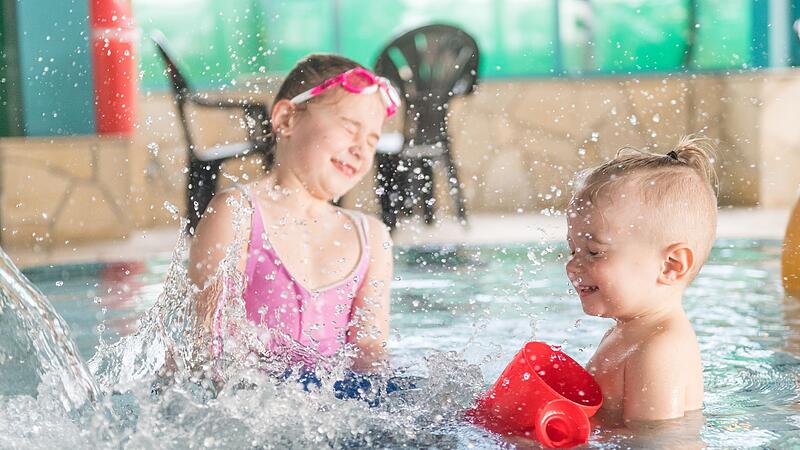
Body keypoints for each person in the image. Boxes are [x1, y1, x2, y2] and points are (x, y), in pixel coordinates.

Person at [187, 54, 400, 377]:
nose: (360, 149)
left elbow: (369, 353)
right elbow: (206, 347)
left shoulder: (371, 238)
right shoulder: (238, 215)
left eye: (372, 141)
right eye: (349, 127)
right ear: (286, 118)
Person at [565, 135, 718, 422]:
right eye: (573, 249)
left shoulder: (659, 351)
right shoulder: (627, 331)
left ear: (671, 265)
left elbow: (654, 440)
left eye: (594, 252)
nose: (573, 265)